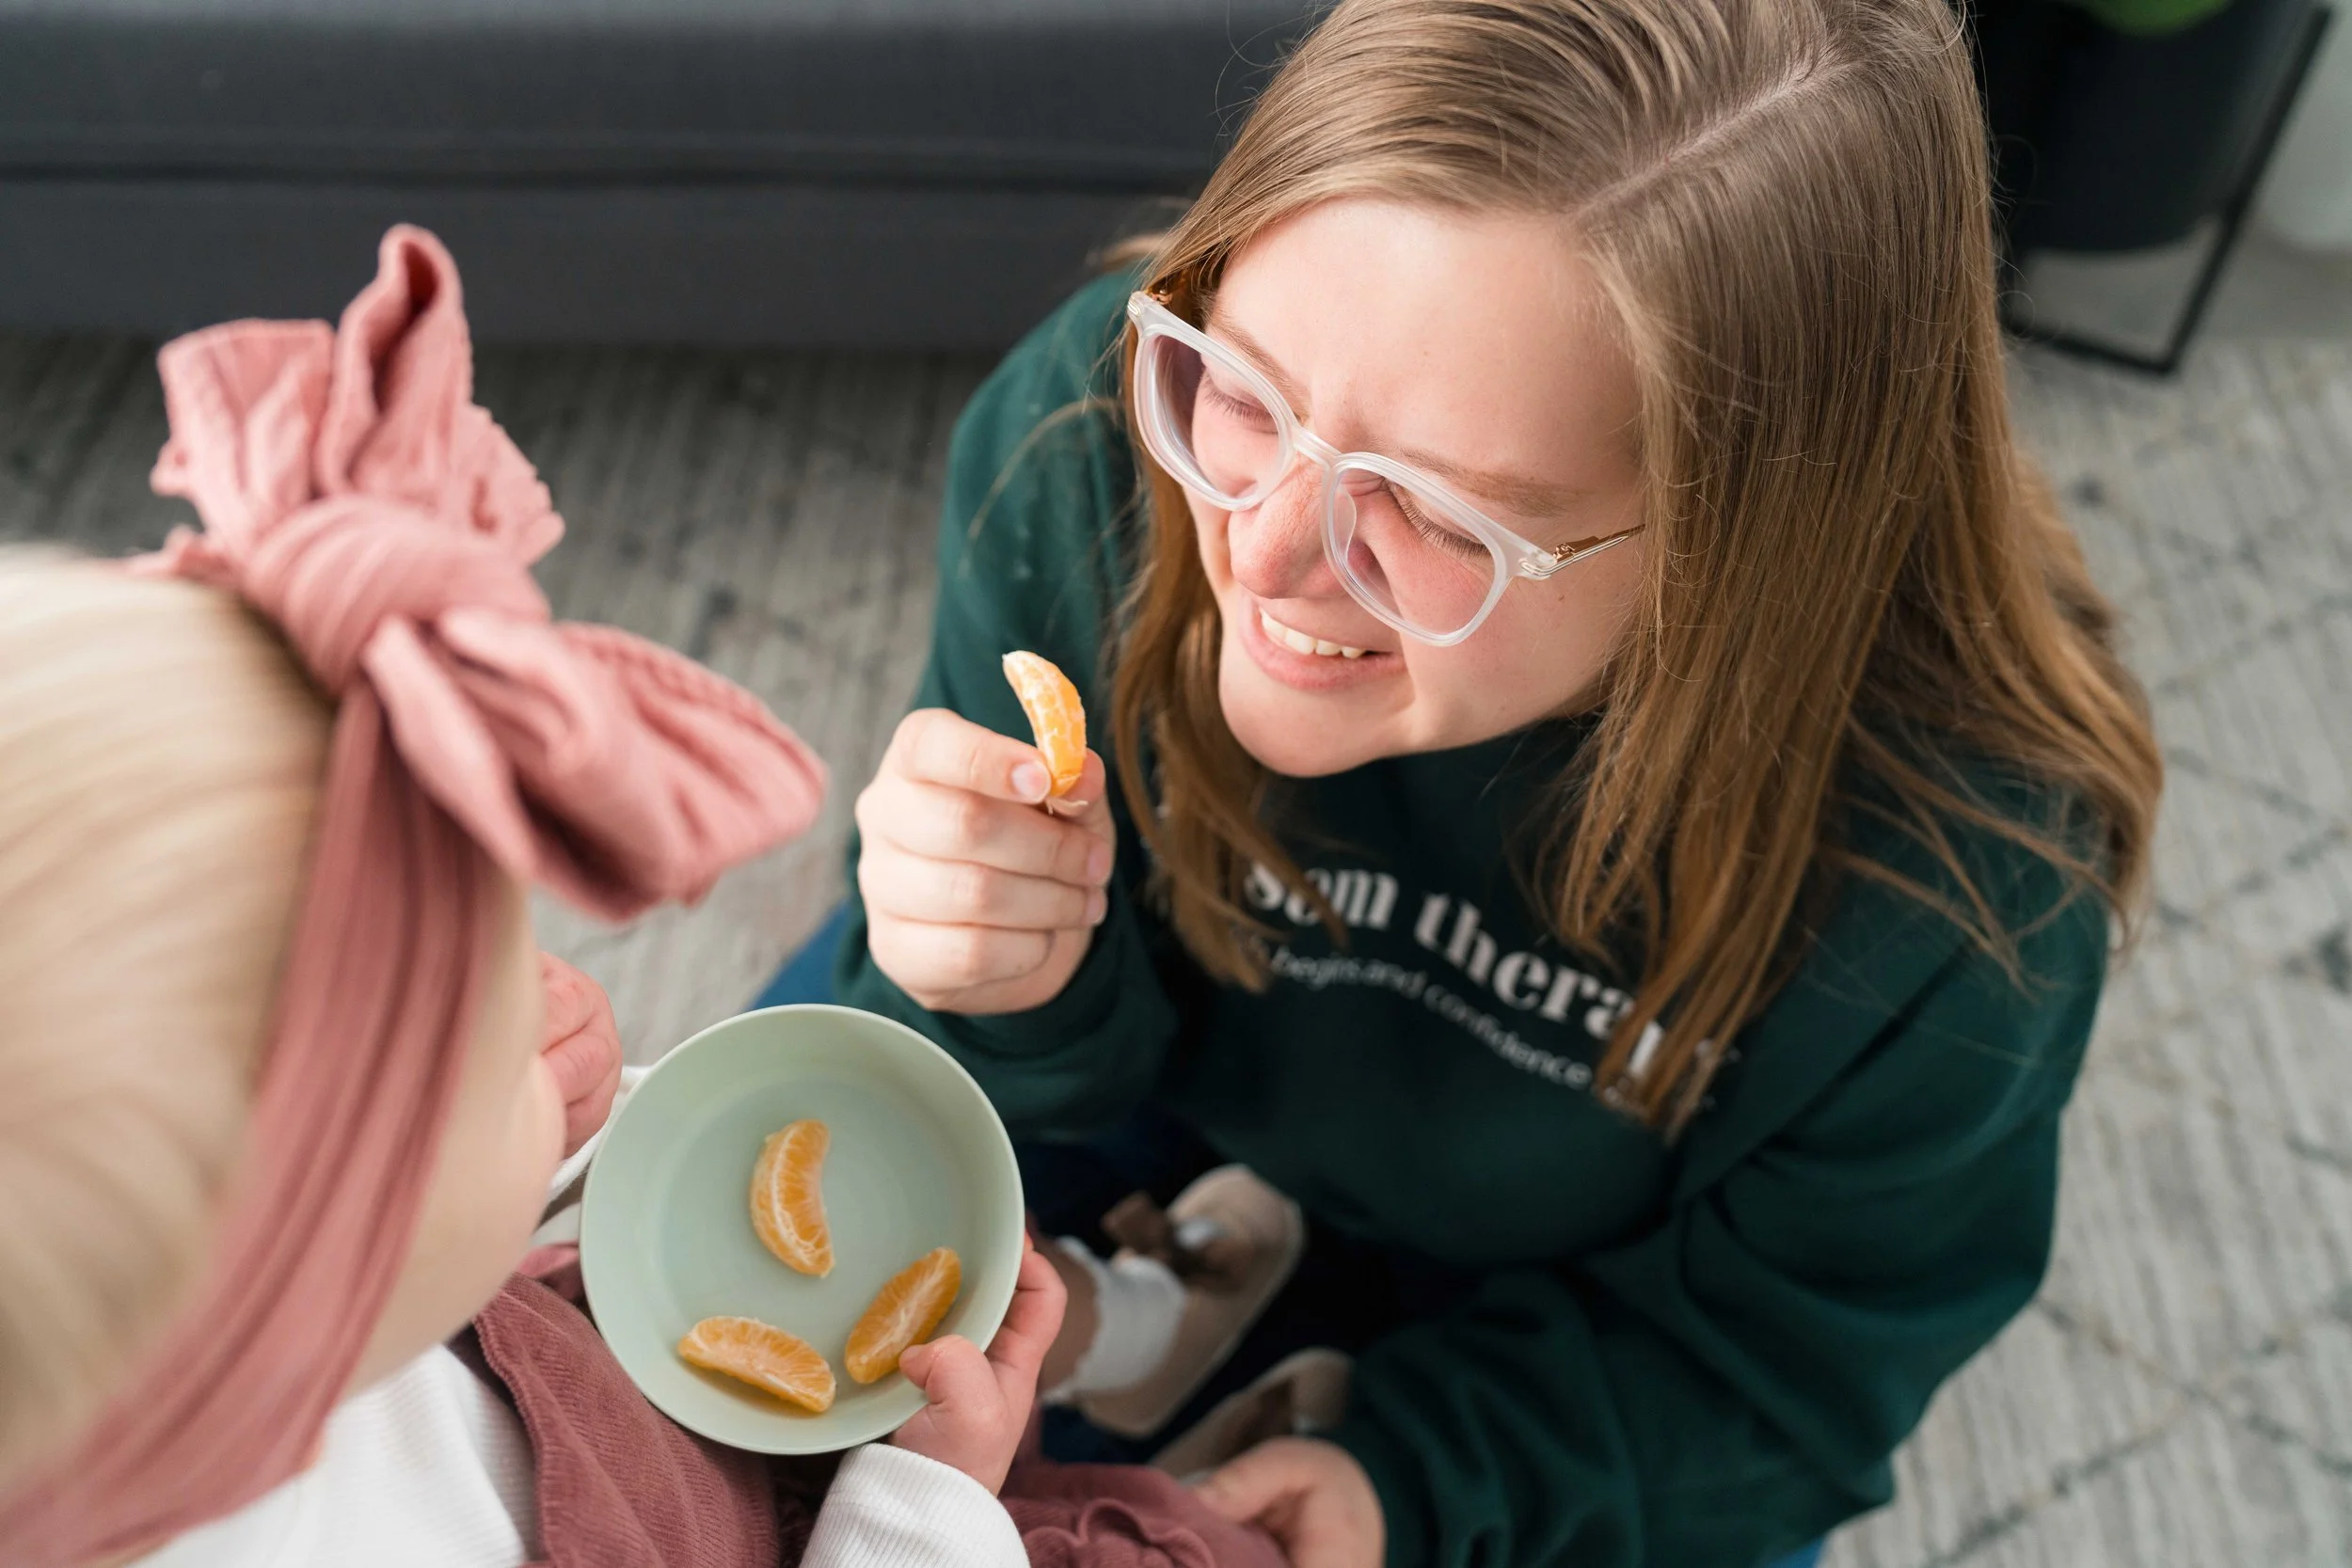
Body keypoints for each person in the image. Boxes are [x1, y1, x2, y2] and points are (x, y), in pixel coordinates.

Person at [828, 3, 2166, 1567]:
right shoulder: (1096, 441)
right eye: (1246, 387)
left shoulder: (1970, 876)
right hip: (1122, 1087)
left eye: (1443, 514)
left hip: (1598, 1311)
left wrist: (1415, 1480)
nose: (1257, 551)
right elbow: (932, 1072)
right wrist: (998, 969)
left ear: (1744, 545)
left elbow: (1793, 1366)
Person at [0, 227, 1286, 1568]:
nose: (556, 999)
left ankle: (1122, 1333)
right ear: (323, 1283)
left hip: (587, 1383)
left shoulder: (170, 1356)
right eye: (489, 1046)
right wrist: (926, 1507)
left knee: (990, 1311)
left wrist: (531, 1150)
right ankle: (1156, 1413)